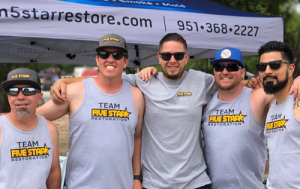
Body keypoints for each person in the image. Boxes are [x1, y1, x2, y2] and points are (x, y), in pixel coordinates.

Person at [51, 33, 217, 189]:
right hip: (155, 182)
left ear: (186, 58)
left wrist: (245, 84)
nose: (172, 60)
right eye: (166, 55)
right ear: (159, 57)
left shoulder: (203, 81)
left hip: (196, 182)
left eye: (178, 55)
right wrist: (64, 81)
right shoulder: (144, 81)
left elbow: (229, 81)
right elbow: (104, 77)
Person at [37, 33, 145, 189]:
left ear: (125, 61)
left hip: (123, 184)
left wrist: (136, 178)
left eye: (117, 54)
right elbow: (32, 118)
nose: (110, 58)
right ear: (97, 59)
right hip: (81, 185)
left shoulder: (137, 96)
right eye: (104, 54)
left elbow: (137, 138)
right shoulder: (75, 91)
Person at [201, 47, 273, 189]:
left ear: (242, 72)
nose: (225, 71)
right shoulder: (205, 103)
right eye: (219, 67)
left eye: (232, 67)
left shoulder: (256, 97)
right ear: (214, 72)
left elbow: (284, 90)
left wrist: (296, 81)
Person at [0, 68, 61, 189]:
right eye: (13, 91)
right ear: (8, 97)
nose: (20, 96)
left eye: (28, 90)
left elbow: (54, 171)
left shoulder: (50, 129)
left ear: (40, 97)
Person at [257, 41, 300, 189]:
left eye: (275, 65)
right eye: (262, 67)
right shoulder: (271, 106)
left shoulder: (298, 101)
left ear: (290, 68)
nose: (267, 71)